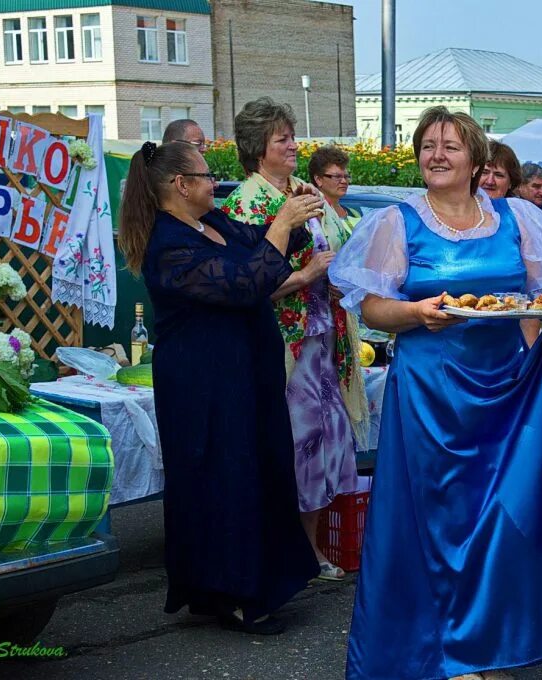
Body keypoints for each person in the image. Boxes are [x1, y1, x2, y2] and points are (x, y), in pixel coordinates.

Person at [330, 106, 542, 680]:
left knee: (502, 518)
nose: (436, 156)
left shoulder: (517, 217)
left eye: (449, 145)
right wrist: (417, 313)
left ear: (475, 159)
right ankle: (441, 650)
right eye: (427, 146)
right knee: (436, 520)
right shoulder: (397, 222)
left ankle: (488, 641)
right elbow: (372, 306)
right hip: (429, 394)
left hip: (508, 391)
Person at [117, 140, 320, 634]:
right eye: (206, 176)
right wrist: (281, 225)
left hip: (244, 374)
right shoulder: (167, 243)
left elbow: (262, 250)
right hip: (204, 383)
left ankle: (229, 587)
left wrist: (297, 213)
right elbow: (242, 284)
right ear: (180, 186)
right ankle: (233, 595)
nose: (215, 183)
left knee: (256, 472)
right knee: (224, 481)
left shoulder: (213, 224)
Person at [221, 97, 367, 582]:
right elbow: (246, 282)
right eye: (282, 138)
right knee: (297, 447)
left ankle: (312, 548)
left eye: (292, 135)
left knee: (326, 446)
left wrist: (338, 274)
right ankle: (290, 552)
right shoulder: (247, 203)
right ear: (258, 147)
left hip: (323, 337)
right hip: (283, 345)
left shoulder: (303, 193)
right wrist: (306, 275)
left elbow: (330, 253)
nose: (293, 145)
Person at [308, 145, 362, 233]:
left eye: (346, 176)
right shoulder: (313, 216)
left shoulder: (355, 214)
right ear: (318, 180)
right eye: (337, 176)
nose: (344, 181)